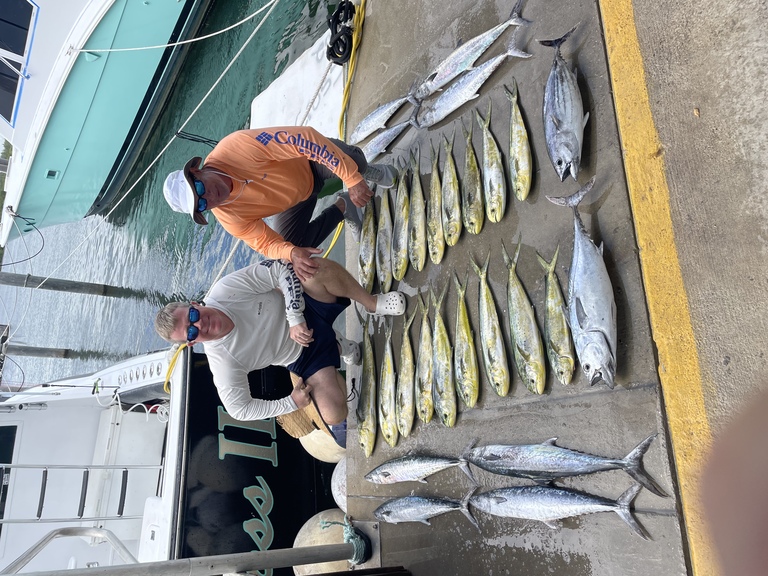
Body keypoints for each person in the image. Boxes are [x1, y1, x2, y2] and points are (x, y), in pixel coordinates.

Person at [154, 257, 405, 425]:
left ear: (195, 304)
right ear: (191, 343)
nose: (199, 325)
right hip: (303, 356)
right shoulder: (222, 362)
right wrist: (291, 402)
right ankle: (338, 347)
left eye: (193, 316)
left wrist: (295, 316)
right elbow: (240, 410)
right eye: (190, 332)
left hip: (306, 308)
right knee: (333, 413)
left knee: (311, 267)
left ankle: (373, 303)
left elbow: (279, 268)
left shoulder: (225, 290)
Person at [162, 126, 398, 281]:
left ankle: (368, 173)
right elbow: (264, 243)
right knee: (292, 251)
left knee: (353, 161)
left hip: (308, 163)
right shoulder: (228, 217)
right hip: (294, 199)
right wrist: (291, 252)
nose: (209, 197)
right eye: (201, 205)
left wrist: (351, 177)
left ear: (196, 170)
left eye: (199, 188)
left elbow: (303, 138)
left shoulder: (236, 147)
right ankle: (344, 207)